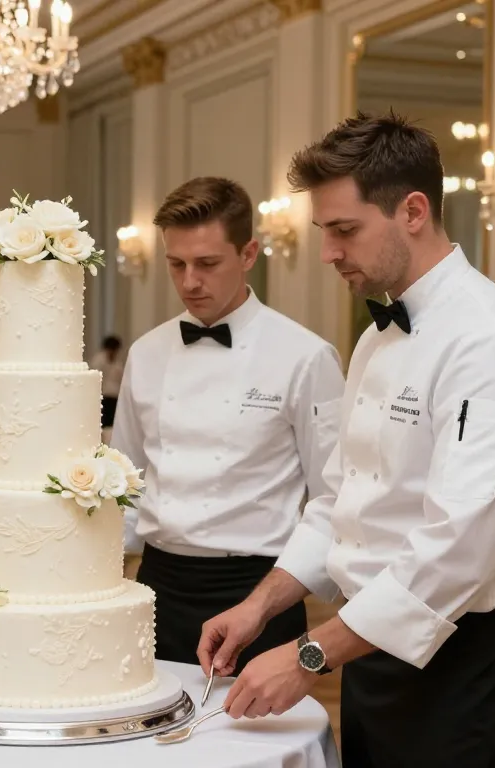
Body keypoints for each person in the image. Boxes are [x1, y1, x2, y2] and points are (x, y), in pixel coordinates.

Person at [201, 112, 495, 768]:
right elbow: (342, 503)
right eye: (323, 232)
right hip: (372, 653)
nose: (328, 254)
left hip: (465, 666)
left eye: (345, 230)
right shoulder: (376, 337)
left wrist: (312, 653)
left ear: (413, 210)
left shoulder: (490, 338)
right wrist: (260, 607)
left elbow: (460, 546)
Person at [110, 176, 344, 672]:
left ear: (249, 253)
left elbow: (333, 499)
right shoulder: (147, 353)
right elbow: (125, 481)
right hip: (156, 588)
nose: (190, 281)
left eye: (207, 264)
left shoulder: (305, 356)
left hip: (257, 594)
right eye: (176, 264)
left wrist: (265, 603)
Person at [89, 335, 124, 432]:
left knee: (112, 426)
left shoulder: (118, 362)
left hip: (114, 398)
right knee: (102, 424)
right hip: (102, 397)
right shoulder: (98, 360)